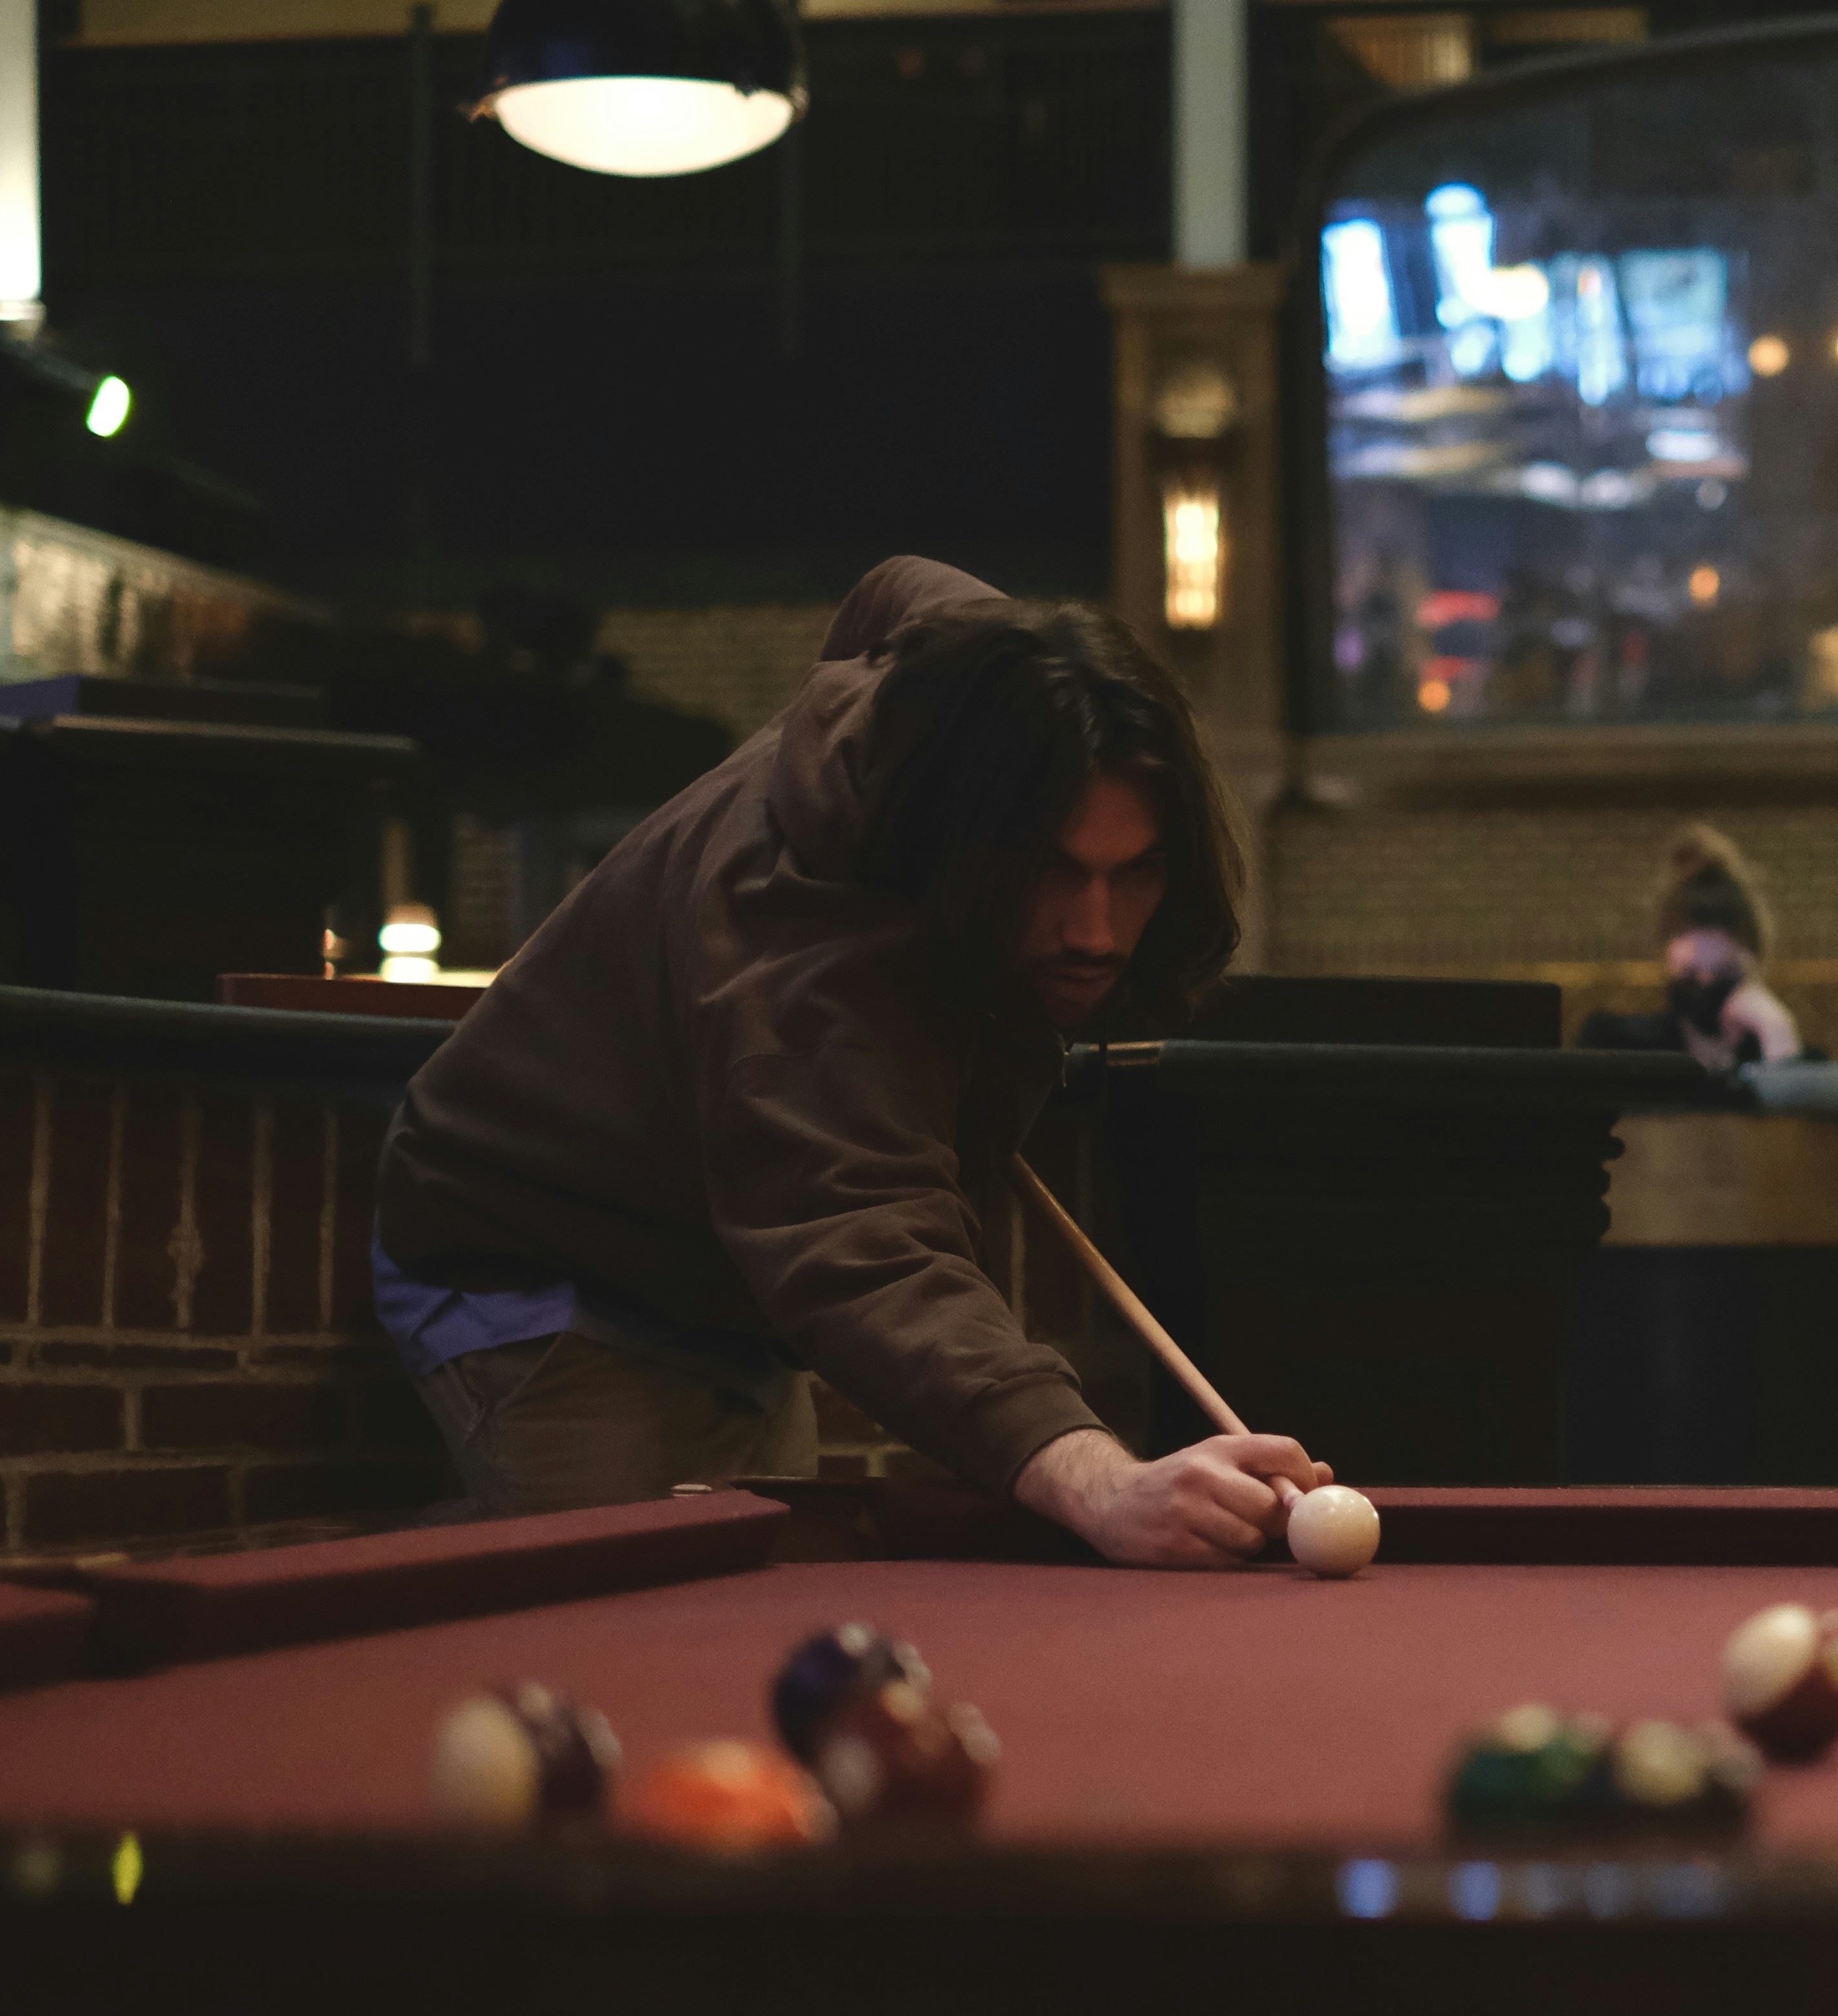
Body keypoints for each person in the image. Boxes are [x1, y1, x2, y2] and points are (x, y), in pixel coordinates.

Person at [372, 556, 1330, 1566]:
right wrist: (1099, 1480)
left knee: (751, 1590)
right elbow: (864, 1242)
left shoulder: (978, 694)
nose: (1096, 931)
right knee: (649, 1610)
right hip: (538, 1261)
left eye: (1132, 874)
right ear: (974, 837)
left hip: (712, 1278)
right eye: (1054, 872)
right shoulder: (799, 955)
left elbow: (902, 590)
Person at [1576, 826, 1805, 1074]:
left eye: (1723, 972)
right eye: (1692, 974)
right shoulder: (1617, 1046)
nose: (1706, 983)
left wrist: (1775, 1031)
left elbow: (1799, 1107)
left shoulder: (1779, 1046)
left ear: (1751, 967)